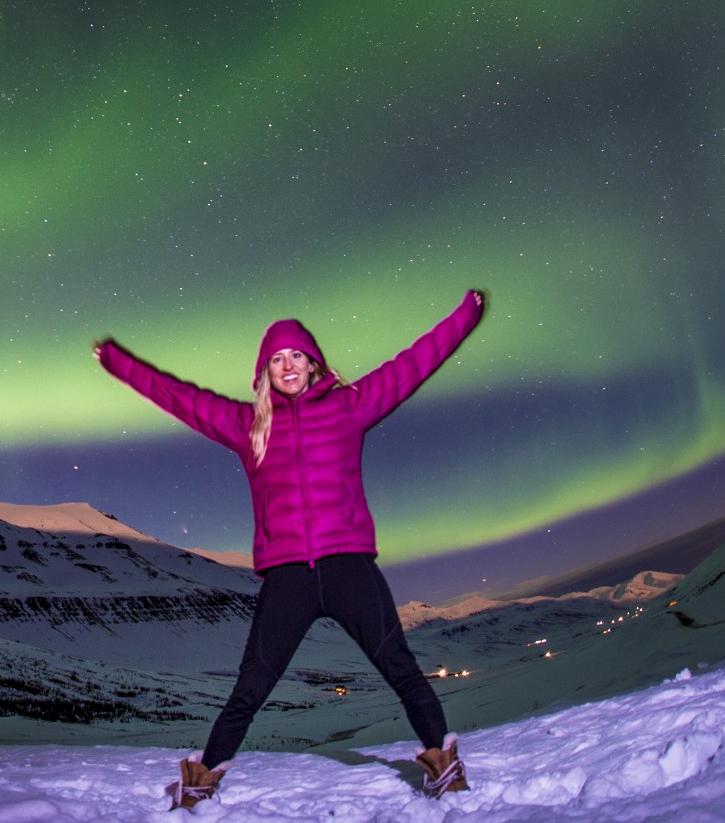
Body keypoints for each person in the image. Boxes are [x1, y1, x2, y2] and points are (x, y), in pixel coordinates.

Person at [93, 288, 485, 809]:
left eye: (296, 355)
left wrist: (466, 314)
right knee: (251, 685)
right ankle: (201, 781)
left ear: (313, 362)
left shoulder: (350, 406)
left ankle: (443, 767)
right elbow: (177, 396)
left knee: (399, 664)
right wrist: (117, 360)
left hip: (348, 566)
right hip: (288, 578)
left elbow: (411, 364)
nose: (288, 365)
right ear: (265, 371)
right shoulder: (248, 425)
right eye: (277, 358)